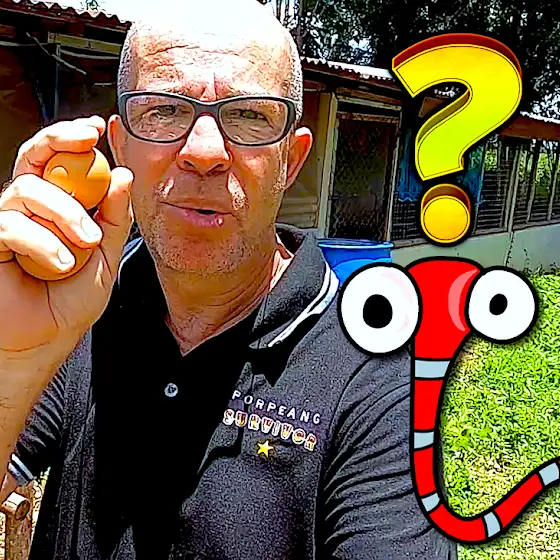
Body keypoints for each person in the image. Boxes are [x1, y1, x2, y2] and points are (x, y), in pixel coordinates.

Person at [0, 0, 457, 558]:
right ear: (121, 148)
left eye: (249, 116)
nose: (204, 153)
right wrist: (10, 361)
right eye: (165, 110)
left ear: (291, 161)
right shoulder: (82, 310)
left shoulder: (376, 375)